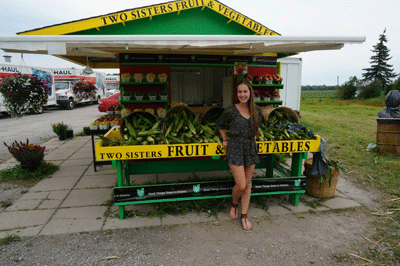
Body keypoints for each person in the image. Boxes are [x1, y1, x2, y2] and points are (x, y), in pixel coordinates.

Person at [216, 79, 262, 230]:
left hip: (250, 148)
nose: (242, 94)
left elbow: (256, 128)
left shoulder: (257, 110)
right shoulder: (230, 110)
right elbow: (220, 124)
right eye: (240, 92)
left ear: (250, 93)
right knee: (240, 184)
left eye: (245, 91)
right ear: (237, 94)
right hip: (235, 147)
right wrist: (224, 139)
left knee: (247, 184)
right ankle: (234, 203)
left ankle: (244, 215)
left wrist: (254, 140)